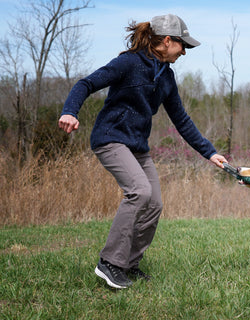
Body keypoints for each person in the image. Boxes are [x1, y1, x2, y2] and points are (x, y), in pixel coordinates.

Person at [58, 14, 227, 289]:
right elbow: (86, 84)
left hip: (137, 146)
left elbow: (181, 120)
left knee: (154, 203)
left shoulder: (167, 78)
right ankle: (109, 262)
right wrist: (69, 111)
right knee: (140, 191)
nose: (184, 52)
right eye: (183, 45)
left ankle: (127, 264)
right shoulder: (128, 63)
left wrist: (209, 152)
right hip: (111, 139)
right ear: (167, 41)